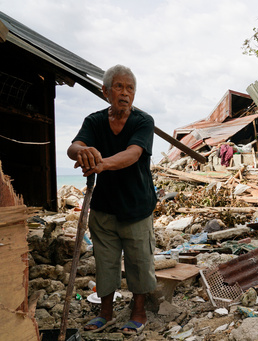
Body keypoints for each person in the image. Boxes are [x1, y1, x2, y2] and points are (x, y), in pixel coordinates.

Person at [67, 65, 157, 336]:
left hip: (136, 206)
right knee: (105, 262)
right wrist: (83, 152)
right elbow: (73, 147)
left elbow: (132, 154)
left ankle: (138, 312)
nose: (125, 93)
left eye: (130, 88)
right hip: (103, 207)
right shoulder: (94, 121)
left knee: (139, 261)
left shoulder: (143, 121)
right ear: (105, 91)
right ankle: (105, 313)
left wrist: (101, 164)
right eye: (118, 87)